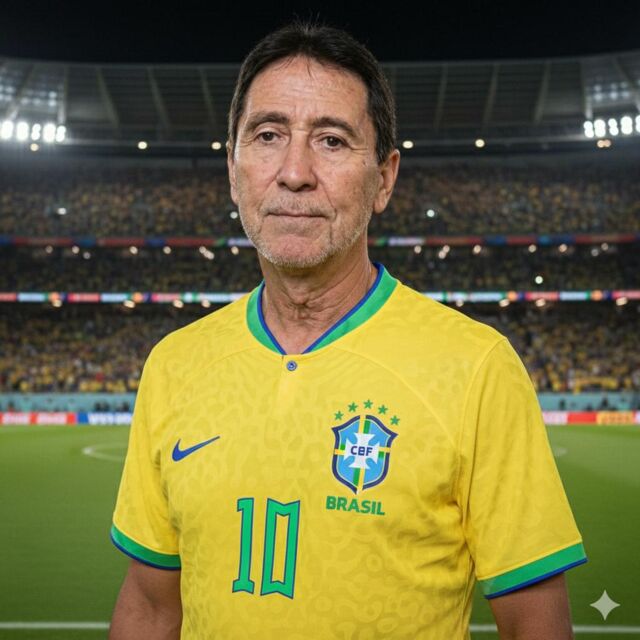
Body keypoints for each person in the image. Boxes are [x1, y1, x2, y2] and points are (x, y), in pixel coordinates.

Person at [109, 22, 587, 639]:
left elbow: (535, 625)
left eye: (332, 141)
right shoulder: (174, 364)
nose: (295, 172)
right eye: (268, 135)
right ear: (232, 168)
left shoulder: (476, 368)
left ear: (384, 178)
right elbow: (151, 606)